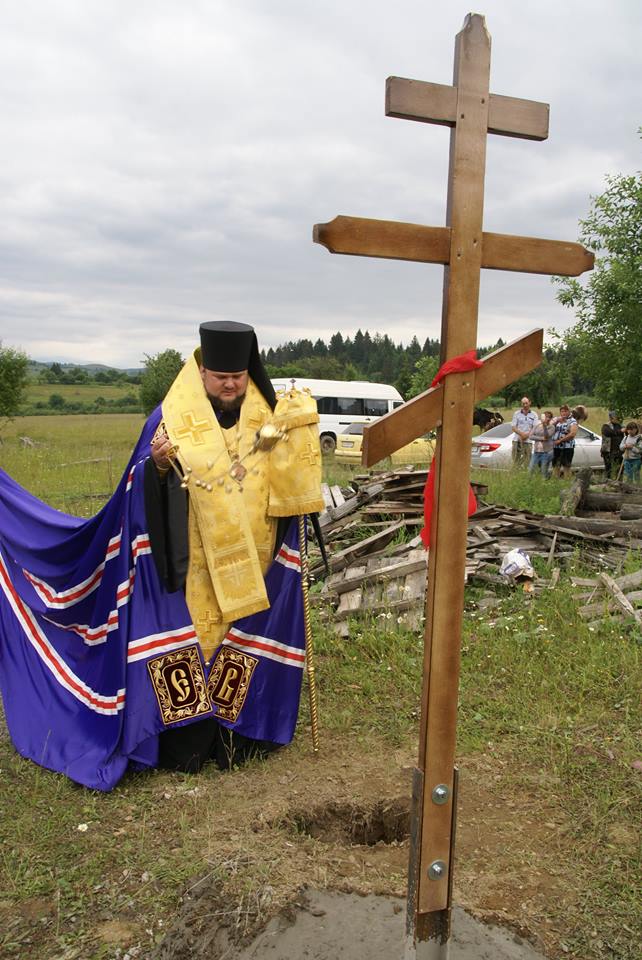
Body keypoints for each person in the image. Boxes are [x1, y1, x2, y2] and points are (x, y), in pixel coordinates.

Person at [0, 321, 324, 790]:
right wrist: (156, 467)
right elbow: (133, 498)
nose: (230, 384)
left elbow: (293, 481)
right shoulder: (169, 419)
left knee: (240, 654)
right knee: (188, 669)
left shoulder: (270, 419)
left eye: (237, 375)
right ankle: (186, 742)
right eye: (219, 376)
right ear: (202, 371)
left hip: (256, 568)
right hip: (185, 576)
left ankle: (241, 738)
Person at [551, 404, 578, 479]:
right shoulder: (557, 420)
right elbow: (549, 428)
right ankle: (555, 481)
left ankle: (567, 481)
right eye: (562, 411)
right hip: (556, 446)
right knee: (555, 465)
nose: (564, 413)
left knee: (566, 465)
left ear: (569, 412)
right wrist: (555, 422)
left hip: (567, 447)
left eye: (566, 411)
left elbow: (572, 434)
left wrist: (560, 440)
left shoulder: (572, 421)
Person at [510, 396, 537, 466]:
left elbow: (534, 427)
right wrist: (522, 434)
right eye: (523, 403)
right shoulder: (516, 413)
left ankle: (526, 474)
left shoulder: (534, 414)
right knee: (516, 460)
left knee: (528, 459)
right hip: (517, 440)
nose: (525, 405)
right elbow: (513, 427)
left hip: (528, 440)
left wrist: (526, 435)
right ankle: (516, 473)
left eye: (526, 403)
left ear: (529, 403)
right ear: (521, 404)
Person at [528, 410, 555, 478]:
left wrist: (544, 426)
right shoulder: (537, 425)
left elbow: (547, 436)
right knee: (531, 469)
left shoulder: (552, 427)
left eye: (549, 417)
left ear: (551, 418)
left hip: (546, 452)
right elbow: (530, 436)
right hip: (536, 451)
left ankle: (545, 483)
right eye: (546, 417)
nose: (547, 418)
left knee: (544, 471)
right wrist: (541, 438)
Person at [601, 411, 624, 478]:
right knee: (608, 469)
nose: (618, 419)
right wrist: (620, 431)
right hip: (608, 451)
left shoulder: (621, 425)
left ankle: (619, 483)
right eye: (616, 417)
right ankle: (608, 483)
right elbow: (609, 433)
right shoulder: (606, 426)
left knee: (620, 469)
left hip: (619, 451)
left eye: (618, 418)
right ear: (611, 418)